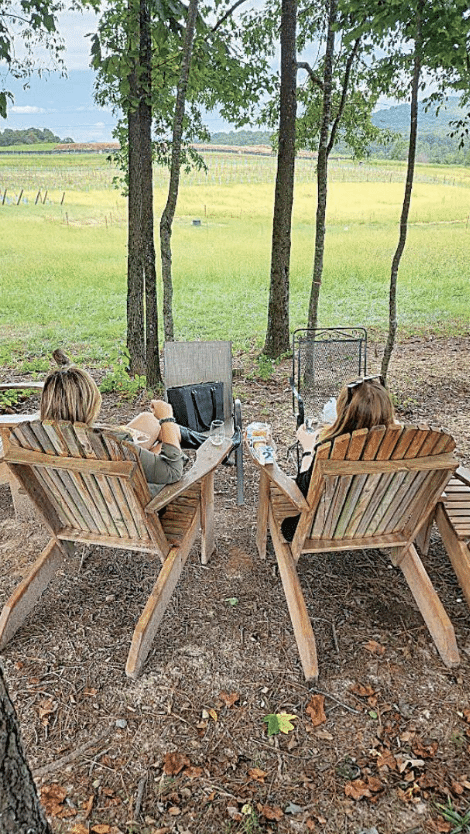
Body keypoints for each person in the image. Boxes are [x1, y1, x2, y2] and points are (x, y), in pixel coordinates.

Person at [40, 354, 185, 496]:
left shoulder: (41, 437)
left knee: (149, 420)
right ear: (89, 404)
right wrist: (167, 418)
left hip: (84, 493)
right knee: (167, 440)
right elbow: (173, 471)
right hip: (122, 498)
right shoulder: (107, 442)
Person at [281, 376, 397, 541]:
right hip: (378, 523)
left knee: (287, 525)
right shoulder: (402, 445)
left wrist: (308, 450)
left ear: (345, 410)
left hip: (320, 529)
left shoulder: (330, 448)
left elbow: (303, 490)